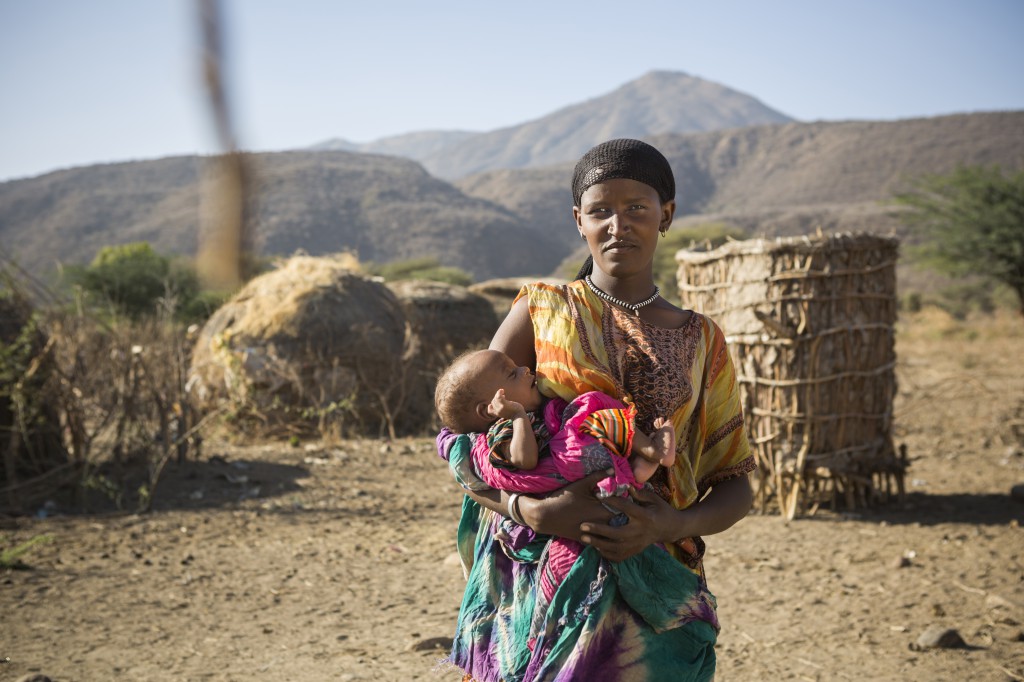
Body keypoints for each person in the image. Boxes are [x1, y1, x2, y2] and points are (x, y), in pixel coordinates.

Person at [436, 138, 756, 682]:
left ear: (667, 215)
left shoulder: (703, 340)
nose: (618, 224)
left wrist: (669, 524)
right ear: (578, 221)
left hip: (656, 589)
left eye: (637, 208)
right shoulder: (541, 309)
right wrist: (527, 510)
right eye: (601, 210)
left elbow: (736, 482)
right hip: (541, 585)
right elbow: (463, 442)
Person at [434, 347, 677, 603]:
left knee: (599, 418)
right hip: (561, 483)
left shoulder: (533, 415)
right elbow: (525, 461)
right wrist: (517, 416)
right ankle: (652, 453)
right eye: (512, 374)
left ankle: (646, 460)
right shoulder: (499, 434)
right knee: (592, 412)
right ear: (489, 410)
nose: (525, 369)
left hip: (580, 481)